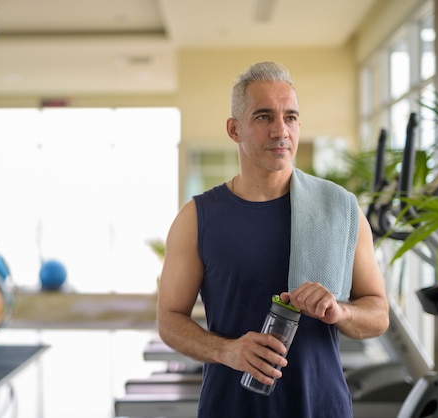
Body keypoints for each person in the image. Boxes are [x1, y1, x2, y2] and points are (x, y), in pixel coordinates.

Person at [156, 61, 389, 417]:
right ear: (235, 129)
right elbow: (169, 320)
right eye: (264, 117)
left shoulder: (342, 209)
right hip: (230, 408)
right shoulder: (197, 218)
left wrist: (339, 310)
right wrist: (228, 351)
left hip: (321, 406)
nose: (281, 131)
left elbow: (378, 314)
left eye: (291, 117)